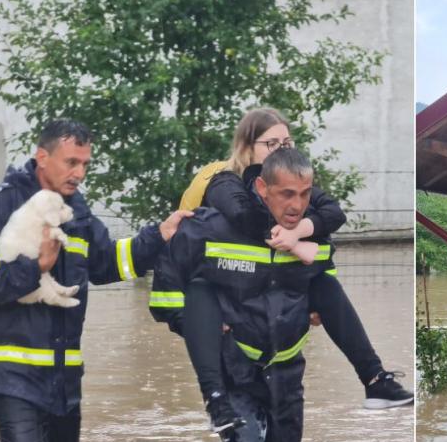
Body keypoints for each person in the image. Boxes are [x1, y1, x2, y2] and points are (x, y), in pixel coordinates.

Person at [0, 119, 191, 442]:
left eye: (85, 164)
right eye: (71, 162)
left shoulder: (75, 210)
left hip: (63, 379)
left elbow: (106, 263)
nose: (79, 172)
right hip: (8, 374)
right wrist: (33, 268)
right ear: (41, 156)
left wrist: (159, 236)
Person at [174, 108, 412, 413]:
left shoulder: (291, 184)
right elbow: (246, 216)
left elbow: (334, 213)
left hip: (272, 293)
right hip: (229, 299)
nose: (281, 150)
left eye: (286, 144)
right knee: (242, 432)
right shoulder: (223, 181)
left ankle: (375, 380)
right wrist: (299, 240)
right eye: (271, 144)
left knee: (324, 283)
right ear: (247, 148)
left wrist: (300, 231)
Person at [152, 148, 337, 442]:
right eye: (286, 194)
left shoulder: (308, 234)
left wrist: (316, 308)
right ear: (263, 189)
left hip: (285, 368)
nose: (296, 206)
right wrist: (198, 325)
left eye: (304, 195)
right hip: (232, 361)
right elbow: (164, 293)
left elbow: (324, 286)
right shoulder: (212, 227)